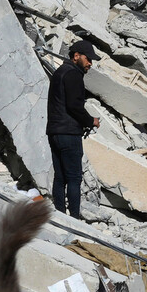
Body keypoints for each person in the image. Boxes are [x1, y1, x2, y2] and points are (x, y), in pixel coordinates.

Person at [46, 40, 100, 218]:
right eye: (88, 59)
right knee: (74, 179)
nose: (90, 63)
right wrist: (90, 120)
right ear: (76, 56)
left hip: (54, 132)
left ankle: (60, 216)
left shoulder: (59, 72)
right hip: (69, 134)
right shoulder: (74, 75)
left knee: (60, 178)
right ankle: (74, 219)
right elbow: (74, 106)